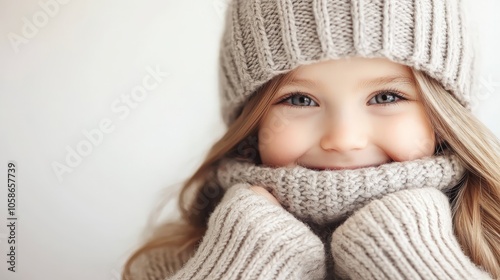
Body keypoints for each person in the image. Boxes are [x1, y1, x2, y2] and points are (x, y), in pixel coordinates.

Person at [122, 0, 500, 279]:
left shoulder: (491, 242)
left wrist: (413, 260)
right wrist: (245, 262)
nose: (344, 139)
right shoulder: (178, 260)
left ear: (442, 115)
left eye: (386, 97)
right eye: (300, 100)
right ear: (252, 123)